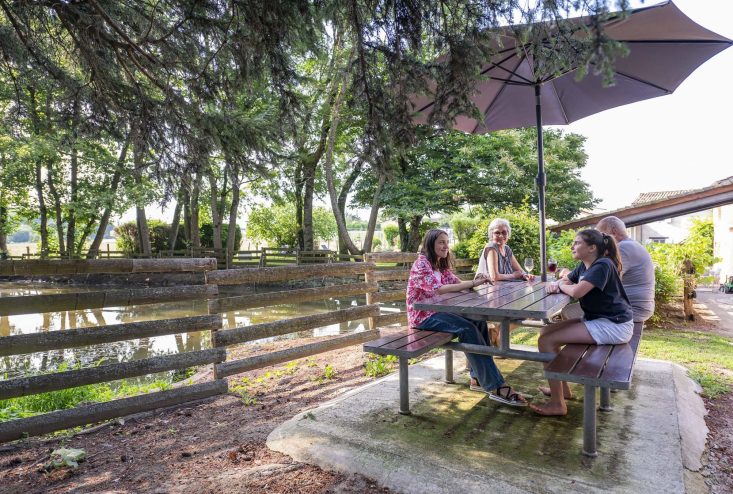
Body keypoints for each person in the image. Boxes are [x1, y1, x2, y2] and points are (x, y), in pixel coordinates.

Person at [407, 228, 528, 407]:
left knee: (478, 321)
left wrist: (476, 279)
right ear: (430, 244)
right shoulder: (422, 264)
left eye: (447, 242)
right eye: (441, 242)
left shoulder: (440, 264)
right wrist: (473, 283)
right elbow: (438, 289)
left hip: (440, 312)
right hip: (422, 316)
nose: (445, 246)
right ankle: (496, 386)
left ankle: (478, 378)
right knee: (467, 329)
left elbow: (457, 284)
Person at [531, 229, 633, 416]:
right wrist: (564, 283)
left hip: (614, 326)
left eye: (577, 243)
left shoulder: (603, 265)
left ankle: (557, 404)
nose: (572, 246)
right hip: (600, 320)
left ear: (592, 247)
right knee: (545, 332)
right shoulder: (585, 266)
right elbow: (567, 279)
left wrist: (561, 285)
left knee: (545, 342)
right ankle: (563, 391)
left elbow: (576, 291)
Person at [560, 216, 655, 323]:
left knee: (569, 312)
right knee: (571, 312)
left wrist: (566, 281)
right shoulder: (631, 245)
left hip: (629, 308)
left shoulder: (623, 248)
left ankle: (585, 337)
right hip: (627, 305)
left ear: (613, 232)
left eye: (600, 235)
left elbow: (598, 276)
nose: (597, 240)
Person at [475, 218, 534, 346]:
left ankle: (498, 333)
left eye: (504, 232)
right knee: (523, 311)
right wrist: (514, 275)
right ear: (491, 234)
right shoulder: (491, 248)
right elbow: (494, 276)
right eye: (497, 232)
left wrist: (526, 275)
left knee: (527, 310)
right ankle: (499, 339)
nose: (501, 236)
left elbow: (520, 270)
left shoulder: (506, 249)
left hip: (503, 292)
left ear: (508, 234)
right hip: (488, 294)